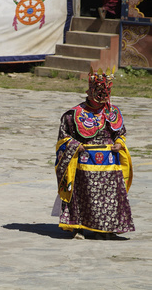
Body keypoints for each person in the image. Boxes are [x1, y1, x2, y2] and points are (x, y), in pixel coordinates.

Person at [55, 67, 134, 240]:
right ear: (89, 91)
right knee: (83, 196)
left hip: (109, 166)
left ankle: (105, 228)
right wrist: (75, 145)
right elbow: (63, 137)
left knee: (109, 198)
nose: (102, 96)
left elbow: (121, 133)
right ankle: (78, 228)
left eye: (105, 92)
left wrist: (119, 144)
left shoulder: (112, 113)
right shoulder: (73, 115)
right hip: (84, 164)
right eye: (98, 92)